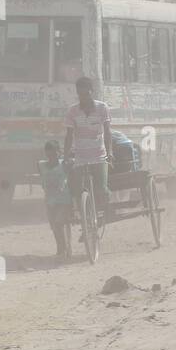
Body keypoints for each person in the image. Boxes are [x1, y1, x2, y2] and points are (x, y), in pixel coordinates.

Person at [63, 76, 112, 233]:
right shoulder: (72, 111)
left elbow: (108, 132)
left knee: (102, 190)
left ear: (92, 92)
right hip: (80, 157)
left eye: (86, 94)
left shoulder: (102, 108)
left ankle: (100, 214)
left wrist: (110, 153)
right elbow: (69, 135)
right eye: (80, 95)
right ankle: (85, 217)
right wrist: (66, 156)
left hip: (99, 156)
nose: (83, 98)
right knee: (77, 190)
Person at [39, 141, 71, 260]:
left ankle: (63, 250)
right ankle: (60, 248)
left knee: (58, 223)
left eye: (54, 154)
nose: (51, 157)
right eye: (49, 155)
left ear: (59, 153)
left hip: (64, 200)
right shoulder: (41, 165)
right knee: (54, 226)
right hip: (50, 201)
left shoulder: (65, 164)